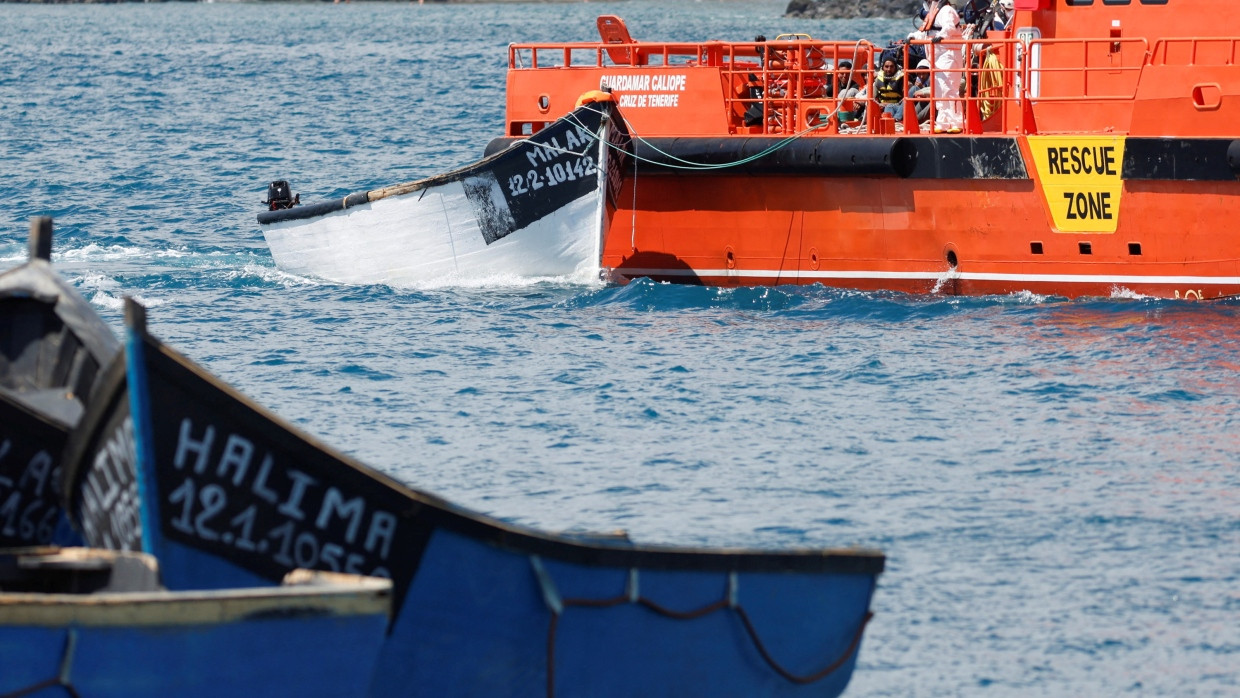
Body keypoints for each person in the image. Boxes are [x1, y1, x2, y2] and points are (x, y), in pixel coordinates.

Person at [909, 0, 964, 133]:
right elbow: (925, 32)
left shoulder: (946, 11)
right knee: (939, 90)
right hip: (937, 57)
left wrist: (941, 36)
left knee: (949, 89)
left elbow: (949, 27)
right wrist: (911, 37)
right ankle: (943, 122)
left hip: (948, 54)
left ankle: (956, 122)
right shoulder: (933, 14)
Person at [908, 58, 933, 124]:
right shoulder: (918, 78)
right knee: (914, 88)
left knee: (932, 103)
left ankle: (915, 120)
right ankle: (908, 116)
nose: (921, 76)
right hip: (925, 99)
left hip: (933, 100)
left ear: (928, 73)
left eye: (924, 74)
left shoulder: (931, 79)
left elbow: (933, 92)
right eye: (919, 74)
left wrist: (922, 89)